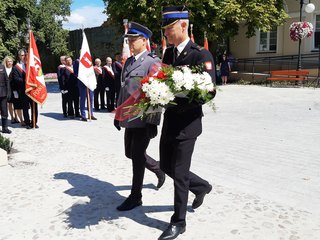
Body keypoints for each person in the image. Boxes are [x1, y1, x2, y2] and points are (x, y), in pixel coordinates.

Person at [158, 6, 216, 240]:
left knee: (180, 174)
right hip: (170, 120)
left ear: (183, 25)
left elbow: (209, 92)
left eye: (169, 29)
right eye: (164, 30)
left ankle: (178, 221)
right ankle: (201, 186)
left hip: (188, 124)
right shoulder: (168, 55)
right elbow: (161, 81)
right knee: (165, 167)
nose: (166, 34)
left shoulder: (200, 54)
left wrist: (182, 97)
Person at [114, 22, 165, 211]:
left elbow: (158, 94)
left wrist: (153, 122)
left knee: (136, 156)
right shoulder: (129, 61)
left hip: (143, 119)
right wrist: (118, 114)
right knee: (130, 153)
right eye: (128, 40)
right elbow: (124, 89)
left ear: (144, 41)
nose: (130, 44)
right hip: (129, 117)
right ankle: (158, 168)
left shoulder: (153, 62)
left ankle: (136, 196)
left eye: (133, 40)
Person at [12, 49, 32, 129]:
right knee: (25, 107)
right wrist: (25, 80)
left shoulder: (30, 65)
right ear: (19, 56)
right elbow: (16, 79)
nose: (23, 57)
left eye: (24, 55)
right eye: (21, 55)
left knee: (33, 106)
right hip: (23, 90)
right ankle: (27, 122)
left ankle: (34, 122)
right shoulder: (16, 67)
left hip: (32, 88)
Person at [74, 57, 97, 121]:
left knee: (91, 99)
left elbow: (91, 71)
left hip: (89, 82)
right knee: (83, 99)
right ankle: (83, 115)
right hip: (82, 83)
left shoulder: (88, 60)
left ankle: (91, 114)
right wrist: (82, 77)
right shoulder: (77, 61)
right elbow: (75, 72)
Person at [3, 56, 20, 124]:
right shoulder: (4, 69)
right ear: (6, 62)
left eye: (11, 61)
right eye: (8, 61)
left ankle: (16, 117)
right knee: (10, 104)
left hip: (14, 88)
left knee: (16, 103)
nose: (10, 63)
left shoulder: (14, 68)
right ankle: (12, 118)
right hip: (7, 88)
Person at [0, 62, 12, 133]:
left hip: (3, 93)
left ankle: (5, 128)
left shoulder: (2, 67)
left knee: (4, 111)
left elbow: (7, 80)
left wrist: (8, 92)